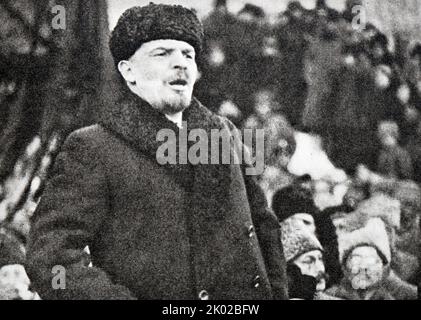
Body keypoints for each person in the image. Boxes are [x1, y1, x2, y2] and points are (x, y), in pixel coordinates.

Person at [25, 4, 288, 300]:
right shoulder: (94, 147)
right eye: (162, 53)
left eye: (188, 54)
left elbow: (264, 227)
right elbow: (52, 258)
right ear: (128, 71)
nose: (181, 63)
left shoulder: (225, 134)